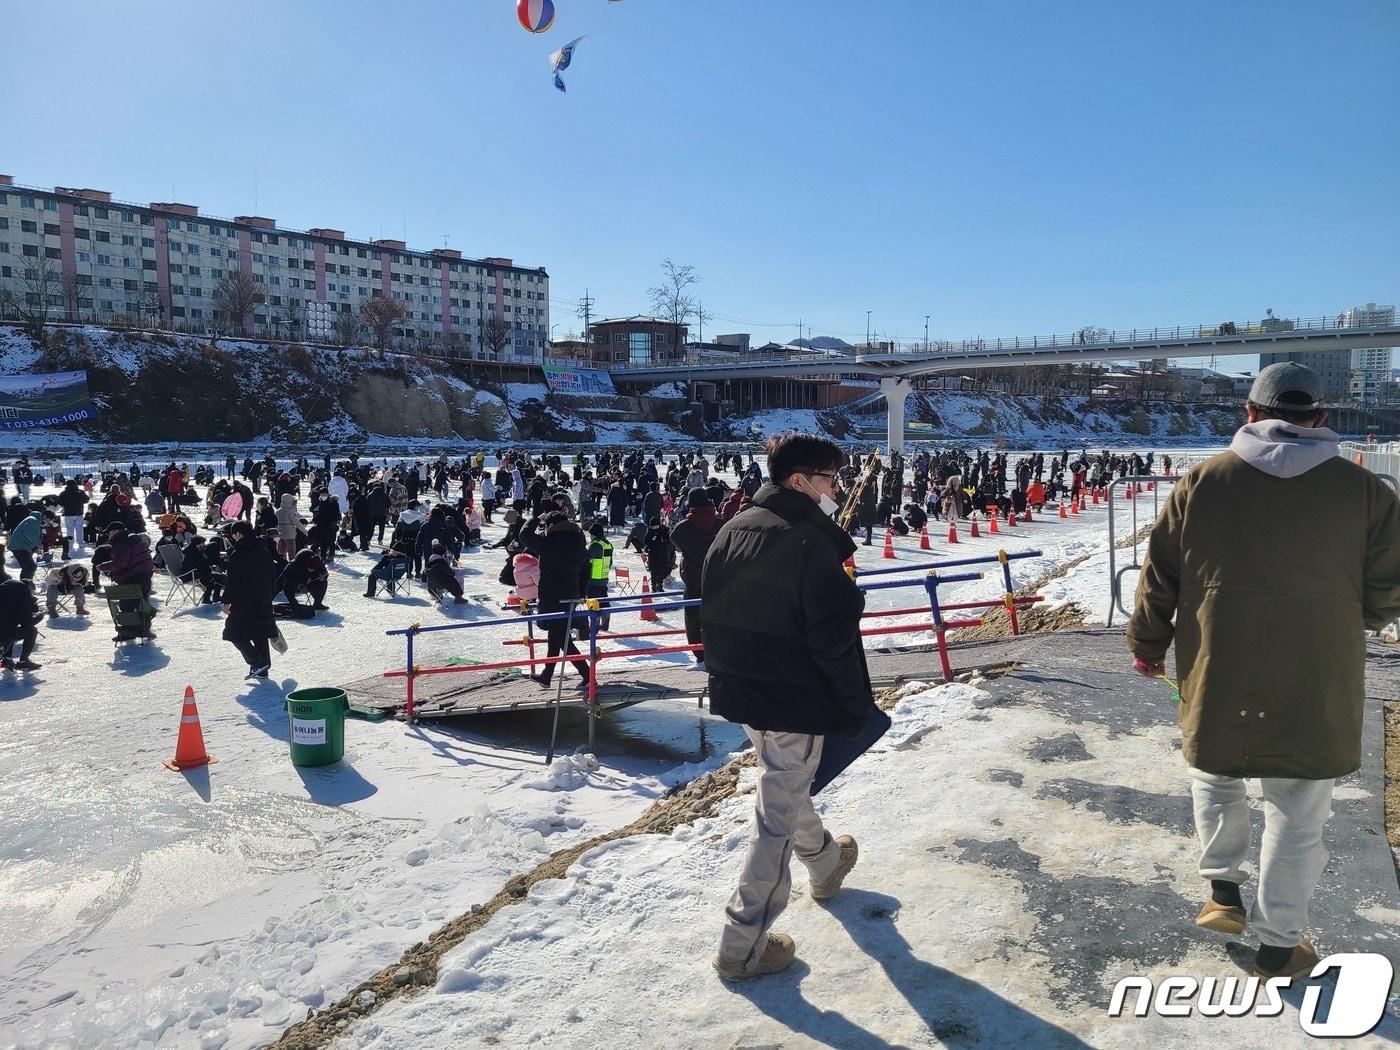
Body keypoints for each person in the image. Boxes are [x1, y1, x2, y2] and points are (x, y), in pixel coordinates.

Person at [1128, 362, 1400, 981]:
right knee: (1298, 808)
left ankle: (1223, 892)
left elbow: (1160, 578)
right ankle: (1280, 945)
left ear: (1249, 414)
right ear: (1322, 420)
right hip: (1318, 670)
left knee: (1215, 771)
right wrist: (1345, 619)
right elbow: (1388, 586)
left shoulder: (1202, 481)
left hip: (1217, 660)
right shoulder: (1365, 493)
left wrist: (1148, 644)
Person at [703, 432, 872, 980]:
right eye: (829, 479)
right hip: (793, 697)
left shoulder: (734, 527)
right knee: (773, 818)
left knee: (784, 782)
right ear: (799, 480)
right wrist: (853, 707)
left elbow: (704, 613)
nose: (836, 489)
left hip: (747, 690)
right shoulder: (808, 542)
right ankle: (742, 945)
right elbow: (834, 641)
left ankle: (824, 863)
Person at [519, 510, 592, 690]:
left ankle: (586, 674)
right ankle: (547, 675)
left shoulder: (551, 543)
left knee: (561, 639)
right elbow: (585, 572)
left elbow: (524, 535)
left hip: (552, 597)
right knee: (558, 637)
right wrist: (581, 594)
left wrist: (536, 517)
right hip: (570, 597)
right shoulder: (579, 543)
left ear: (551, 526)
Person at [669, 488, 720, 668]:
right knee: (717, 618)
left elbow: (674, 541)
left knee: (693, 620)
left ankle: (700, 656)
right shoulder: (720, 524)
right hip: (717, 581)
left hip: (693, 581)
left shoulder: (683, 528)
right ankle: (717, 652)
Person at [222, 520, 277, 679]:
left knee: (233, 632)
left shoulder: (238, 553)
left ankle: (256, 662)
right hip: (263, 599)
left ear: (238, 533)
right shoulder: (264, 550)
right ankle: (263, 667)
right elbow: (273, 576)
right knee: (260, 632)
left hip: (244, 601)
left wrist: (226, 601)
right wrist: (269, 594)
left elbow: (233, 580)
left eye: (234, 534)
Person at [0, 569, 43, 670]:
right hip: (3, 634)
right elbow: (27, 622)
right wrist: (39, 615)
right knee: (31, 631)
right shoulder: (22, 593)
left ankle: (7, 659)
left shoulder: (4, 588)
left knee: (10, 627)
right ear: (28, 588)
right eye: (31, 593)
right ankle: (24, 661)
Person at [581, 519, 613, 634]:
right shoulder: (607, 545)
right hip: (604, 578)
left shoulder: (594, 546)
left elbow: (586, 560)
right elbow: (609, 562)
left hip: (593, 579)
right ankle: (606, 617)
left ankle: (594, 625)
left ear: (594, 534)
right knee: (603, 599)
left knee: (592, 602)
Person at [57, 478, 88, 554]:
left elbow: (60, 502)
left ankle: (70, 543)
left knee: (69, 529)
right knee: (79, 528)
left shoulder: (64, 493)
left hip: (68, 513)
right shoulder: (80, 492)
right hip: (79, 512)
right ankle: (80, 543)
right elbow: (86, 500)